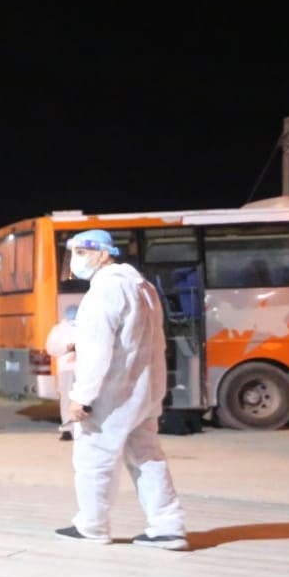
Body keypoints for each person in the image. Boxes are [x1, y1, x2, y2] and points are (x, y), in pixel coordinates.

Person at [57, 229, 188, 550]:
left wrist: (81, 397)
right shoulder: (143, 287)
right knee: (148, 457)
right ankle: (168, 527)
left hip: (112, 394)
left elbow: (96, 350)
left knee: (93, 459)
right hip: (144, 391)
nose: (75, 261)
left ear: (104, 254)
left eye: (82, 253)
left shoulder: (104, 291)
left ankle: (92, 525)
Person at [46, 306, 78, 441]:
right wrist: (67, 348)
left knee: (83, 399)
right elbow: (51, 349)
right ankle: (67, 429)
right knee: (66, 399)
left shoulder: (85, 326)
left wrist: (78, 351)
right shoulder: (58, 330)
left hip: (83, 368)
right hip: (66, 369)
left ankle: (81, 429)